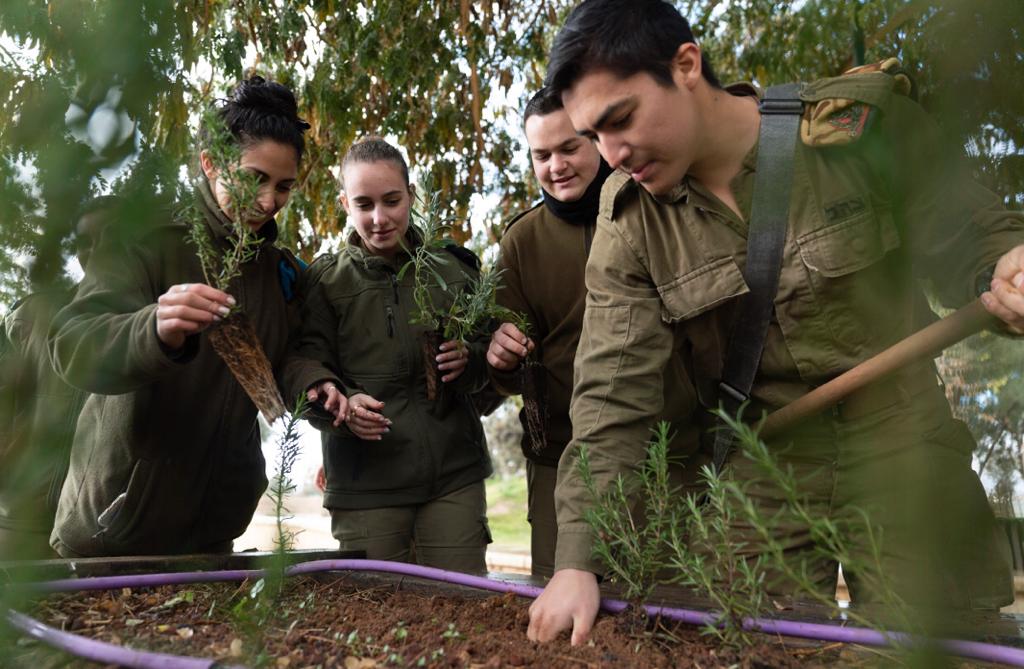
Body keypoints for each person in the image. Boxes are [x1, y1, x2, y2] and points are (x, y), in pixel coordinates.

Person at [527, 0, 1024, 645]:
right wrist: (577, 560)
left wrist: (1003, 266)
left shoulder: (857, 131)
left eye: (620, 120)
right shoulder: (629, 221)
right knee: (749, 647)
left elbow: (968, 232)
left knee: (952, 644)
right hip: (764, 462)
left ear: (685, 65)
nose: (612, 155)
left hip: (902, 435)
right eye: (594, 137)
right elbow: (610, 395)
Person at [47, 76, 309, 557]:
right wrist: (153, 329)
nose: (270, 202)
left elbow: (293, 360)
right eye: (254, 178)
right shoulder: (145, 240)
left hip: (213, 539)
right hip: (112, 538)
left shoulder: (283, 274)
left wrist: (321, 386)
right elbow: (72, 344)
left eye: (284, 186)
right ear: (211, 163)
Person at [486, 87, 703, 577]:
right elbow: (504, 363)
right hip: (561, 464)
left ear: (598, 143)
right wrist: (499, 358)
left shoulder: (660, 210)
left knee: (675, 613)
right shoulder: (522, 242)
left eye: (569, 148)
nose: (556, 165)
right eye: (541, 155)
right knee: (565, 615)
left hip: (671, 457)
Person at [283, 137, 493, 573]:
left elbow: (496, 363)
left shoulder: (454, 269)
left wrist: (471, 359)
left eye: (392, 201)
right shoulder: (323, 281)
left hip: (453, 479)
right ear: (345, 203)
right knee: (377, 620)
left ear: (412, 196)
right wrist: (340, 400)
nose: (379, 219)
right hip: (366, 490)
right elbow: (301, 364)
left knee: (464, 609)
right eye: (364, 205)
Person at [0, 197, 115, 560]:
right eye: (85, 242)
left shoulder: (159, 333)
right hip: (18, 524)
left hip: (99, 534)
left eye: (110, 240)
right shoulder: (32, 317)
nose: (95, 252)